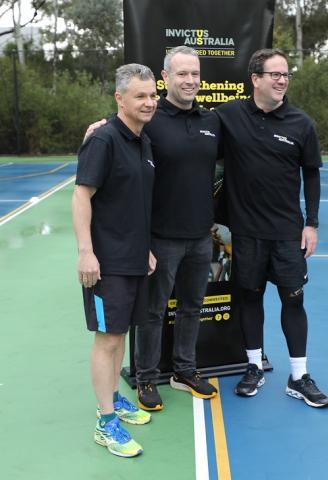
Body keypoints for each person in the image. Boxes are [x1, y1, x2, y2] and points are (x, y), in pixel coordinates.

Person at [85, 46, 219, 411]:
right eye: (181, 74)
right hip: (159, 238)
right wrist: (97, 126)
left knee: (192, 307)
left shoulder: (212, 122)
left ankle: (184, 371)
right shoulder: (149, 120)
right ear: (166, 77)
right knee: (152, 313)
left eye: (194, 73)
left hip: (200, 236)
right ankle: (146, 377)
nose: (189, 80)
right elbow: (118, 127)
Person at [216, 48, 328, 407]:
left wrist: (311, 223)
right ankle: (253, 366)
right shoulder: (228, 115)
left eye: (285, 75)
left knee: (293, 302)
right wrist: (113, 120)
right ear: (255, 78)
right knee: (249, 299)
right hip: (245, 232)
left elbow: (311, 175)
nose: (282, 80)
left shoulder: (301, 123)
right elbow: (183, 123)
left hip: (286, 234)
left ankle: (299, 376)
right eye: (275, 74)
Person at [72, 63, 158, 457]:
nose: (149, 102)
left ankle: (113, 399)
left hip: (134, 258)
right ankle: (106, 424)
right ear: (119, 98)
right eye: (140, 96)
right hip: (106, 263)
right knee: (107, 340)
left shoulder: (142, 141)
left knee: (119, 334)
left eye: (152, 95)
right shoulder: (104, 139)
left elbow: (133, 203)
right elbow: (81, 196)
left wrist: (146, 249)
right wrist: (86, 253)